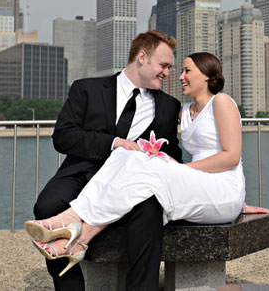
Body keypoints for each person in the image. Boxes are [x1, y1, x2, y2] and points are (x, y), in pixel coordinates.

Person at [26, 52, 269, 282]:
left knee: (147, 162)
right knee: (128, 153)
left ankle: (72, 219)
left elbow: (231, 157)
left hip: (222, 186)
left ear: (206, 75)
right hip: (200, 183)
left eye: (187, 71)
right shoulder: (184, 111)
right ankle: (82, 235)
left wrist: (183, 171)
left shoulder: (222, 102)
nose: (180, 76)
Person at [31, 30, 183, 291]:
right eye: (164, 65)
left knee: (149, 213)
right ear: (142, 57)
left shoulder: (169, 106)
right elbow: (64, 136)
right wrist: (113, 143)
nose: (167, 73)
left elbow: (173, 155)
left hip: (135, 185)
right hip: (84, 173)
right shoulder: (86, 89)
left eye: (170, 67)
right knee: (47, 206)